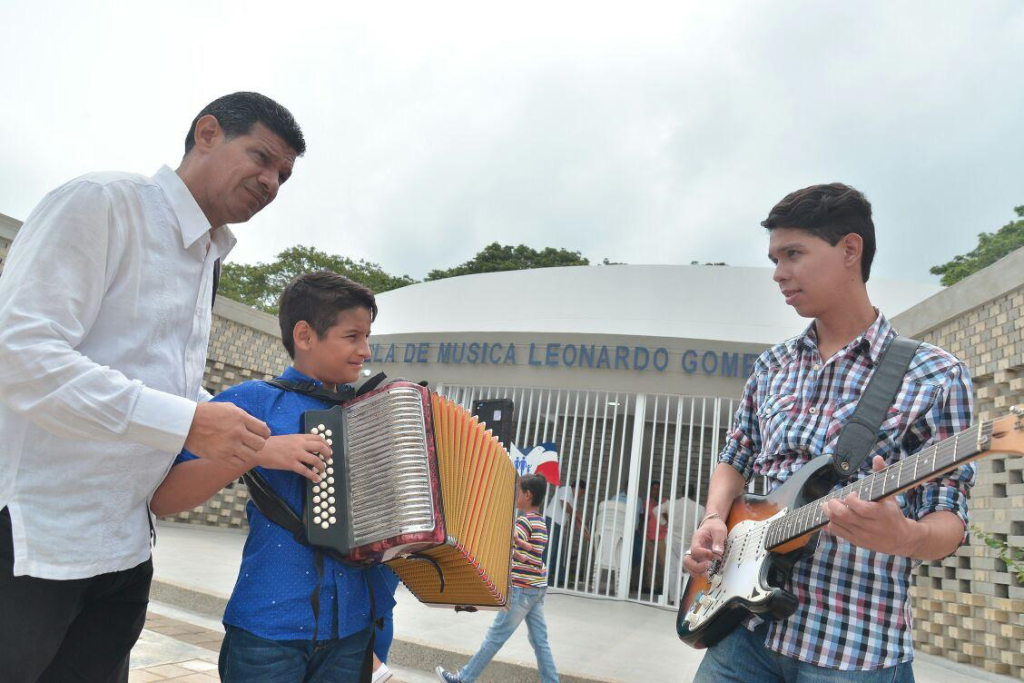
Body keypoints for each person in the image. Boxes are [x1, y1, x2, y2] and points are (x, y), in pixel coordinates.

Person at [0, 91, 306, 682]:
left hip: (125, 548)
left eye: (283, 177)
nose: (271, 183)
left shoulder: (206, 259)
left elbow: (157, 383)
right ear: (208, 132)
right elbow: (20, 356)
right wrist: (189, 422)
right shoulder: (104, 203)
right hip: (35, 540)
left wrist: (237, 436)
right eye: (262, 157)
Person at [685, 183, 975, 682]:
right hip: (741, 636)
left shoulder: (935, 375)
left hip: (853, 650)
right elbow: (735, 456)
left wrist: (905, 536)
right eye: (774, 258)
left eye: (793, 254)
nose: (778, 273)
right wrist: (714, 518)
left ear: (850, 249)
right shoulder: (772, 365)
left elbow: (950, 522)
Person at [150, 271, 397, 682]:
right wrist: (260, 451)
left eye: (367, 337)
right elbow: (164, 497)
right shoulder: (253, 400)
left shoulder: (376, 412)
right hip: (270, 628)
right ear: (305, 335)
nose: (365, 351)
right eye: (352, 336)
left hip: (355, 628)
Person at [435, 474, 559, 683]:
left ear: (528, 495)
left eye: (518, 492)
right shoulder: (541, 523)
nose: (516, 496)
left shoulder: (524, 522)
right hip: (537, 589)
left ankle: (463, 679)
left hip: (521, 590)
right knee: (540, 641)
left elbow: (510, 549)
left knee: (495, 637)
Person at [652, 490, 704, 602]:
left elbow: (655, 510)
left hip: (673, 540)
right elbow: (704, 523)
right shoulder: (699, 508)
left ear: (681, 493)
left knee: (673, 570)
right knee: (689, 571)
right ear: (693, 495)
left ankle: (672, 598)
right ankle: (684, 599)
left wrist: (664, 523)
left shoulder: (671, 503)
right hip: (688, 543)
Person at [545, 478, 588, 587]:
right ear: (578, 488)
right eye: (582, 493)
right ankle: (546, 578)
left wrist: (585, 533)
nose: (581, 496)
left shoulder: (572, 500)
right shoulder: (566, 489)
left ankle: (561, 579)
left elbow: (576, 519)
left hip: (558, 525)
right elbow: (564, 504)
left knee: (559, 553)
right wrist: (576, 513)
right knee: (551, 551)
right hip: (551, 522)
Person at [637, 480, 668, 594]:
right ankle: (651, 587)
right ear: (650, 490)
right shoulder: (646, 503)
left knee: (664, 562)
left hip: (662, 536)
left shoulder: (665, 502)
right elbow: (643, 518)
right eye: (654, 489)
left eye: (658, 489)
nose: (656, 491)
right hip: (648, 535)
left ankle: (665, 588)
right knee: (650, 562)